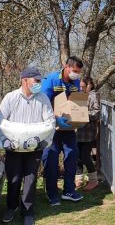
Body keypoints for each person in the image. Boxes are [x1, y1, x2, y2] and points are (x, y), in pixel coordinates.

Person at [0, 67, 55, 225]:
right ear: (25, 80)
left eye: (39, 81)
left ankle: (28, 210)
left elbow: (50, 121)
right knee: (14, 179)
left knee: (31, 179)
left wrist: (45, 142)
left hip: (34, 148)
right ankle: (11, 207)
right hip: (13, 148)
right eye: (36, 80)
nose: (39, 83)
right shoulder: (11, 98)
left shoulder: (43, 99)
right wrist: (4, 140)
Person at [41, 56, 84, 206]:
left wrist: (80, 118)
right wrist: (55, 118)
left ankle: (69, 191)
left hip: (68, 129)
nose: (76, 74)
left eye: (78, 72)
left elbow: (76, 102)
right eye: (74, 71)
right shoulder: (51, 80)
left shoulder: (76, 82)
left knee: (72, 156)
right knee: (51, 160)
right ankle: (52, 194)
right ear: (66, 67)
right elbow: (43, 103)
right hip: (51, 129)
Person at [75, 77, 100, 191]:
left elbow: (96, 112)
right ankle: (78, 179)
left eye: (83, 86)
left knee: (85, 156)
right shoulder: (80, 95)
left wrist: (83, 113)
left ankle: (93, 180)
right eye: (80, 86)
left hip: (88, 132)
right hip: (78, 131)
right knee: (77, 157)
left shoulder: (93, 95)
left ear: (89, 85)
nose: (81, 88)